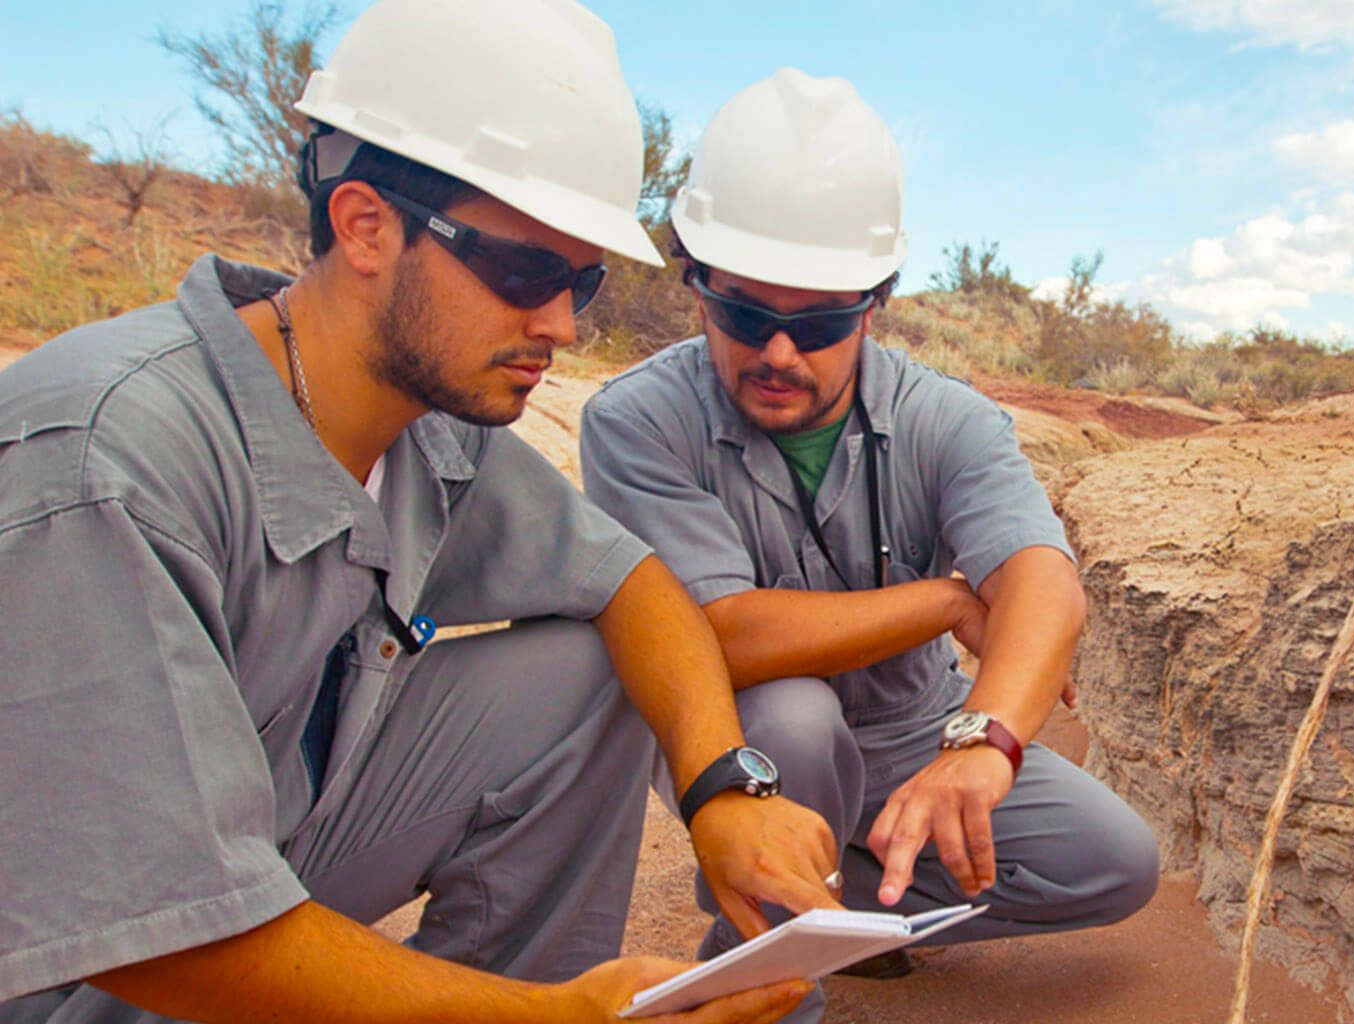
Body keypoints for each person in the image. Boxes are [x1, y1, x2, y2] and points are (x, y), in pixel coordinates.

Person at [0, 6, 840, 1023]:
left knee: (587, 671)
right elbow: (153, 922)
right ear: (363, 224)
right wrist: (554, 1016)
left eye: (585, 281)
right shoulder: (106, 456)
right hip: (80, 964)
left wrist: (719, 787)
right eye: (527, 271)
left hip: (250, 865)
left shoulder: (421, 422)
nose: (563, 325)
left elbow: (633, 584)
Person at [580, 68, 1161, 1022]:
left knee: (1112, 866)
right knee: (795, 715)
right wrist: (943, 601)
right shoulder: (633, 421)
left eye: (815, 324)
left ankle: (839, 919)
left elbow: (1046, 587)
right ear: (696, 287)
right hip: (746, 739)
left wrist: (986, 742)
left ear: (874, 302)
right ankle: (767, 975)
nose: (777, 353)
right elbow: (722, 635)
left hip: (910, 728)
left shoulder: (952, 421)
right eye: (744, 315)